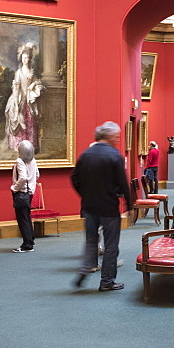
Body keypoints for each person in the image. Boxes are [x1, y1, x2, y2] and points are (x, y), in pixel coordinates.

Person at [72, 121, 131, 292]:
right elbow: (122, 183)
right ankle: (107, 281)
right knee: (111, 245)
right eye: (117, 136)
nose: (118, 139)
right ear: (111, 136)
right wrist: (129, 203)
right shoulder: (114, 155)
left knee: (91, 241)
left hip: (89, 206)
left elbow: (75, 178)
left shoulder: (86, 154)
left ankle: (85, 268)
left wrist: (85, 193)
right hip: (109, 207)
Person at [4, 42, 45, 152]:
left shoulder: (31, 72)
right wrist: (17, 100)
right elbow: (16, 87)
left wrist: (34, 84)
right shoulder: (19, 72)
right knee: (19, 118)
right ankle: (19, 145)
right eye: (23, 57)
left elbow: (37, 81)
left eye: (26, 58)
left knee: (30, 120)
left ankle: (30, 146)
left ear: (30, 59)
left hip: (29, 99)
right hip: (20, 97)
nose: (24, 59)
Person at [10, 140, 38, 253]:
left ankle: (27, 244)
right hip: (30, 192)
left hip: (22, 193)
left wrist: (14, 188)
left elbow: (23, 178)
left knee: (22, 219)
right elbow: (37, 175)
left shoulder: (20, 161)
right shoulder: (33, 161)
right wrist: (32, 185)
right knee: (27, 217)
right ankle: (30, 240)